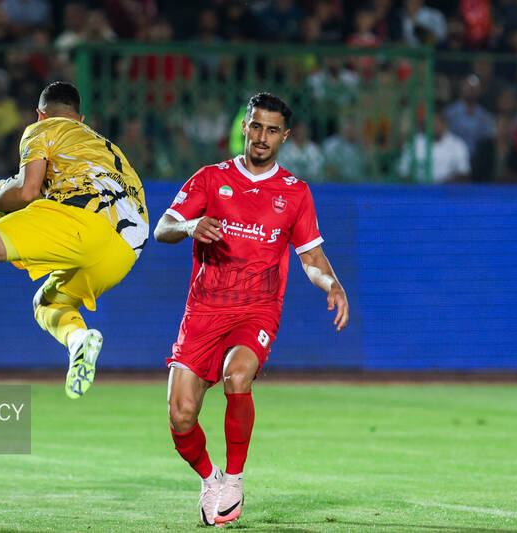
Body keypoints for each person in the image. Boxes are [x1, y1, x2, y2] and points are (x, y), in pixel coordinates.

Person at [154, 93, 349, 526]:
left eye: (272, 130)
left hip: (256, 310)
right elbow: (163, 227)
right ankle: (210, 478)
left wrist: (332, 284)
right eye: (256, 126)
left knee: (237, 375)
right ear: (244, 126)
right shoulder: (210, 178)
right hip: (204, 311)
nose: (262, 137)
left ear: (286, 136)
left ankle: (236, 479)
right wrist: (189, 226)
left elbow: (312, 259)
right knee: (181, 413)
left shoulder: (295, 193)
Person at [0, 82, 149, 399]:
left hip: (84, 219)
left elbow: (27, 190)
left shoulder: (41, 129)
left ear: (40, 113)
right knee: (48, 303)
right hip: (128, 247)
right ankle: (79, 341)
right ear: (81, 118)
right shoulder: (106, 146)